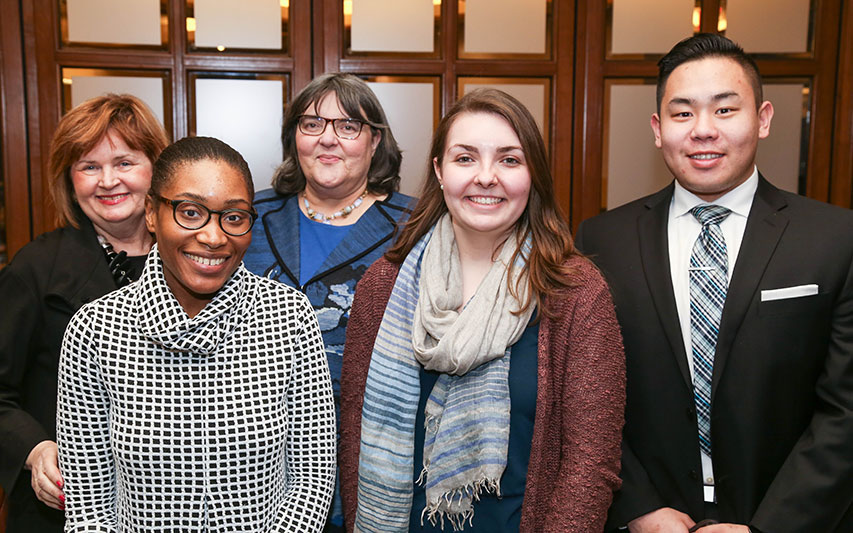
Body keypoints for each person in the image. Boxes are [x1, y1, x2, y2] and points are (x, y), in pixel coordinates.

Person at [574, 33, 853, 532]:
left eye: (725, 110)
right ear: (659, 129)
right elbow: (586, 395)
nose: (703, 130)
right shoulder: (602, 240)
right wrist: (637, 507)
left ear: (763, 119)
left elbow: (845, 410)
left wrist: (771, 526)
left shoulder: (836, 239)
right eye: (683, 114)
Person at [339, 88, 625, 533]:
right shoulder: (384, 285)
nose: (486, 177)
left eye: (509, 160)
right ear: (438, 170)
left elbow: (592, 462)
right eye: (465, 158)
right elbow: (355, 432)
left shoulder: (575, 291)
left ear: (533, 175)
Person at [56, 136, 337, 532]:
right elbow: (90, 503)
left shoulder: (288, 317)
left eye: (234, 217)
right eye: (190, 212)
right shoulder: (97, 329)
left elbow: (313, 477)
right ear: (152, 214)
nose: (214, 236)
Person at [244, 72, 413, 531]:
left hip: (368, 449)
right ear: (293, 137)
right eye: (312, 124)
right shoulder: (248, 216)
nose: (328, 140)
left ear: (374, 141)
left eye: (348, 127)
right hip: (250, 456)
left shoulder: (414, 226)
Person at [0, 93, 168, 532]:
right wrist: (34, 449)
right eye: (89, 167)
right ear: (70, 179)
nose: (108, 181)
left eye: (125, 163)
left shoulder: (192, 259)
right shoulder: (34, 269)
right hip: (63, 506)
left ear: (156, 168)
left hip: (169, 505)